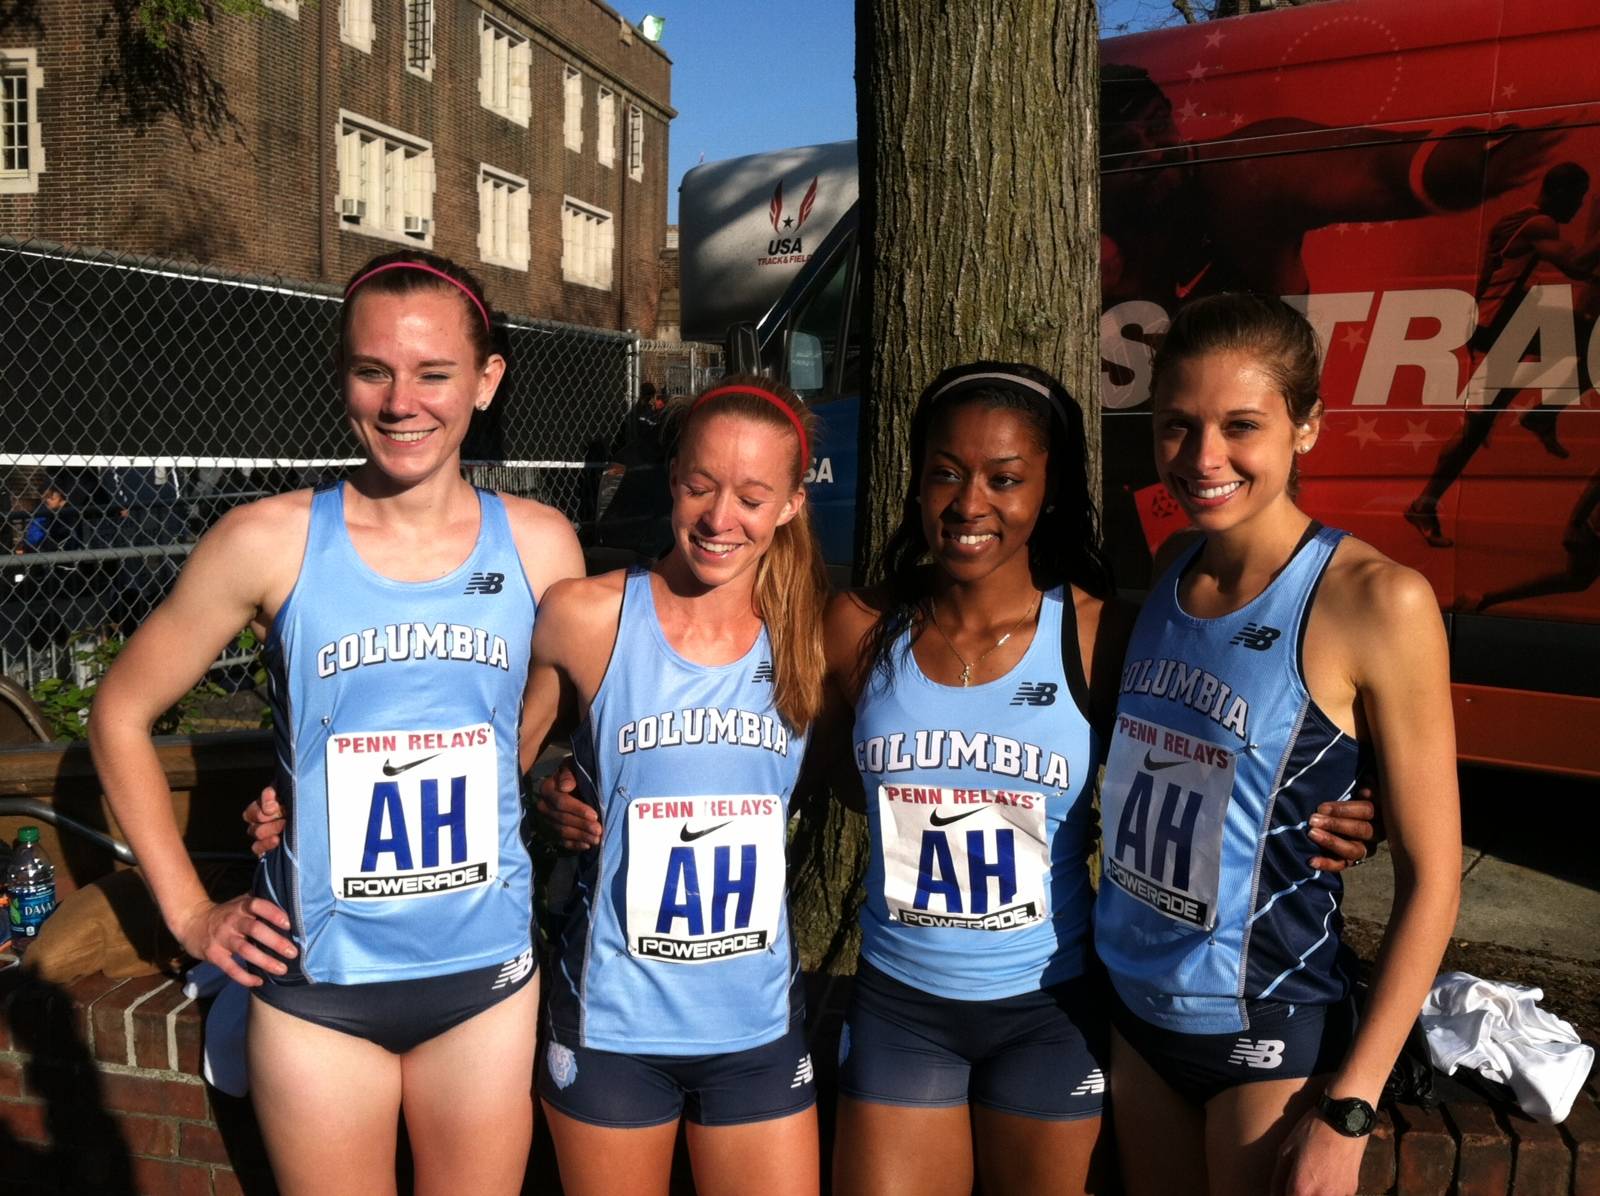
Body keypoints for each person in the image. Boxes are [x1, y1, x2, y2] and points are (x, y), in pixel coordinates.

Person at [536, 364, 1378, 1196]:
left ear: (1047, 489)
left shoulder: (1101, 632)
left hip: (1050, 1008)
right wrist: (580, 784)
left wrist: (1341, 806)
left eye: (1005, 479)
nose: (971, 504)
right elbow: (784, 767)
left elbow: (1211, 750)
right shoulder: (857, 628)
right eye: (945, 474)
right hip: (903, 1011)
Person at [89, 249, 584, 1196]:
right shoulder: (267, 539)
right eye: (374, 372)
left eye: (435, 373)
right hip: (319, 990)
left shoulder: (540, 541)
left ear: (486, 381)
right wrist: (191, 913)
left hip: (482, 979)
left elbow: (560, 705)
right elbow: (119, 711)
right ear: (342, 379)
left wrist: (545, 784)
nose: (404, 402)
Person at [1095, 293, 1461, 1196]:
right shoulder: (1170, 569)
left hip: (1264, 1029)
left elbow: (1435, 881)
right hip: (1136, 1014)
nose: (1203, 458)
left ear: (1307, 428)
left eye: (1240, 426)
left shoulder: (1379, 599)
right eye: (1178, 426)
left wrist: (1351, 1107)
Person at [529, 377, 827, 1196]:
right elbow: (502, 760)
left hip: (756, 1027)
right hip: (613, 1025)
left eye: (752, 497)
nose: (719, 518)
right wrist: (549, 793)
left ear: (793, 506)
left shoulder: (814, 636)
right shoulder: (586, 616)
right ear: (672, 481)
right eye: (700, 486)